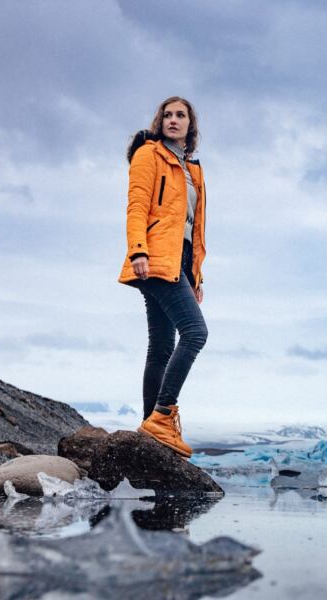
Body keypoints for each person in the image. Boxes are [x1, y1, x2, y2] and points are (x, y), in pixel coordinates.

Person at [118, 96, 208, 459]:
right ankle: (163, 414)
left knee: (161, 346)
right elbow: (137, 205)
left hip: (180, 260)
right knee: (196, 332)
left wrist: (195, 274)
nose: (173, 120)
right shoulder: (149, 154)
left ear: (190, 124)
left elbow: (193, 227)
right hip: (155, 255)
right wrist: (138, 249)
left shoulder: (193, 169)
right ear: (159, 121)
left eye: (180, 115)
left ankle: (149, 429)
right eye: (167, 115)